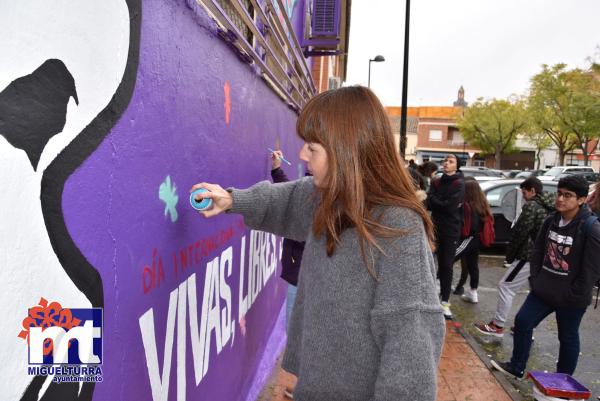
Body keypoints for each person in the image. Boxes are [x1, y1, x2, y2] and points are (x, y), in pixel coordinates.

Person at [191, 86, 445, 400]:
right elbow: (288, 199)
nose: (301, 155)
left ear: (346, 151)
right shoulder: (331, 199)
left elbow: (411, 340)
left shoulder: (397, 224)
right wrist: (232, 200)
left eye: (312, 148)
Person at [491, 175, 600, 379]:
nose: (561, 199)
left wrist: (574, 293)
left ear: (582, 200)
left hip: (571, 297)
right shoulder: (551, 219)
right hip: (544, 289)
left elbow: (592, 269)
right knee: (523, 321)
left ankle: (562, 381)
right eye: (559, 193)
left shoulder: (590, 227)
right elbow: (538, 250)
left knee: (567, 337)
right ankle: (517, 366)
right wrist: (536, 279)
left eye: (568, 195)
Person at [475, 177, 555, 337]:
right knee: (535, 293)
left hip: (527, 255)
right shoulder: (549, 206)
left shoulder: (532, 206)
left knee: (506, 286)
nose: (523, 195)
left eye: (525, 191)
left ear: (532, 190)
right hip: (540, 256)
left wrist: (510, 255)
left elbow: (521, 232)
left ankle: (497, 325)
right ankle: (526, 328)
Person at [270, 150, 306, 333]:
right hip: (300, 272)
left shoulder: (325, 190)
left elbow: (293, 197)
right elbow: (292, 194)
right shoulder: (314, 186)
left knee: (294, 332)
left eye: (313, 148)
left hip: (304, 274)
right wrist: (277, 170)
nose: (303, 153)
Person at [427, 154, 465, 319]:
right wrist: (442, 202)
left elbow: (450, 207)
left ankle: (445, 302)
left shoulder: (459, 183)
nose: (446, 163)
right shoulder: (436, 181)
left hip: (450, 230)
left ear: (457, 166)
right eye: (445, 161)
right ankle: (429, 296)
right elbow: (429, 201)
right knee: (429, 260)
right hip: (434, 227)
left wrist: (439, 202)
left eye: (451, 161)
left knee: (446, 265)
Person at [453, 179, 493, 303]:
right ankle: (473, 293)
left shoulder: (469, 206)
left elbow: (471, 227)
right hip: (477, 241)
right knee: (473, 266)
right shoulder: (482, 204)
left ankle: (439, 286)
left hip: (468, 239)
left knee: (448, 258)